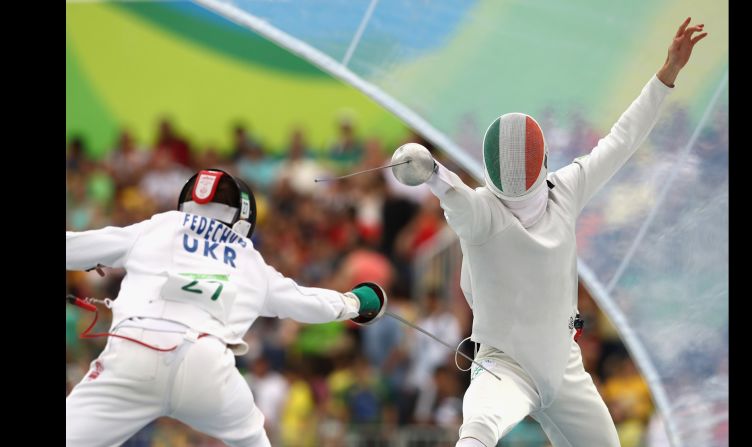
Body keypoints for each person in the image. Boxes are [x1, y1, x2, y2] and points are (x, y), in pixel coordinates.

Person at [390, 18, 707, 447]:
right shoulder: (489, 210)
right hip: (505, 369)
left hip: (564, 369)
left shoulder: (554, 193)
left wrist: (429, 170)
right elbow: (453, 192)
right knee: (478, 432)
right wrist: (432, 171)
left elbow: (620, 142)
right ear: (542, 165)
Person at [65, 168, 386, 447]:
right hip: (204, 365)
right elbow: (306, 303)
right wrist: (357, 302)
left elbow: (72, 248)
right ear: (243, 217)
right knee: (254, 438)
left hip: (133, 354)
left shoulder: (157, 227)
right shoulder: (249, 259)